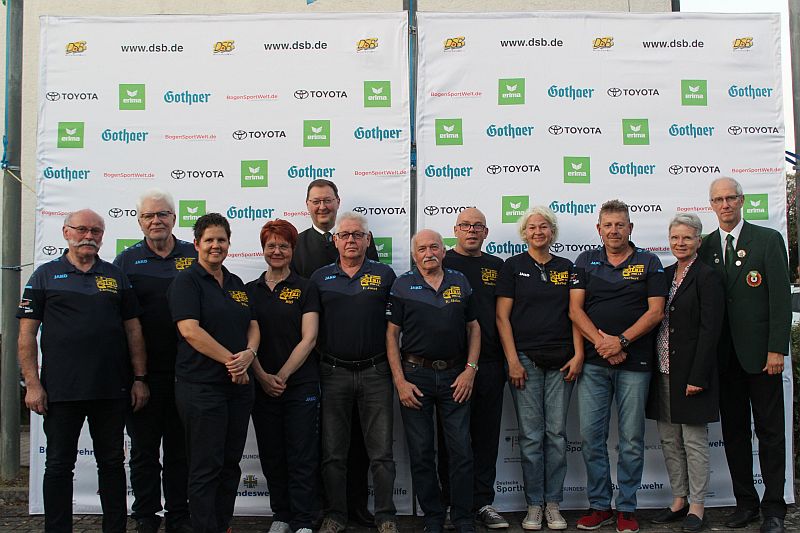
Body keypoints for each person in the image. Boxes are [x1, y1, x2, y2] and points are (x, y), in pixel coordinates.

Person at [17, 208, 149, 533]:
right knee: (59, 466)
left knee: (112, 464)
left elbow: (133, 330)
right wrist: (32, 384)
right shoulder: (44, 275)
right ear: (66, 233)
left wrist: (139, 378)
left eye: (96, 231)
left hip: (111, 389)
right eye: (82, 230)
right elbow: (26, 335)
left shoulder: (116, 276)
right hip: (61, 391)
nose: (89, 236)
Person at [697, 177, 791, 533]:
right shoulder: (705, 246)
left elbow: (780, 299)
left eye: (731, 198)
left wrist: (776, 348)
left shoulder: (767, 240)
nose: (725, 205)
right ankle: (746, 504)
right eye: (718, 199)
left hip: (763, 357)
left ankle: (774, 508)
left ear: (742, 200)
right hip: (724, 360)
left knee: (770, 433)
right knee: (734, 433)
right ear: (711, 205)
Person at [568, 200, 667, 533]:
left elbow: (656, 312)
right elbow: (575, 310)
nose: (614, 231)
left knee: (631, 439)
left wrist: (621, 341)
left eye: (620, 224)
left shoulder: (649, 261)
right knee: (591, 437)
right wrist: (604, 344)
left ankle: (626, 507)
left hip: (635, 364)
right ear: (599, 229)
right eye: (608, 225)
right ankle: (599, 506)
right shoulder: (585, 261)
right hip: (594, 364)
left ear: (630, 228)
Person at [291, 179, 377, 527]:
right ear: (307, 205)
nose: (322, 206)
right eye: (316, 201)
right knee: (328, 443)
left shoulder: (361, 239)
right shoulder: (298, 244)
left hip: (361, 361)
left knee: (360, 439)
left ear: (338, 202)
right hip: (318, 360)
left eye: (328, 200)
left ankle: (357, 505)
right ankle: (330, 508)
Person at [167, 213, 259, 533]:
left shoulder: (235, 283)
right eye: (209, 240)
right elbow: (190, 331)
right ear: (196, 244)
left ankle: (222, 525)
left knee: (230, 464)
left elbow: (253, 325)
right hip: (201, 388)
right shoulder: (186, 282)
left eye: (221, 240)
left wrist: (250, 354)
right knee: (206, 467)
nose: (215, 245)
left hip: (238, 388)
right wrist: (234, 362)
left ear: (229, 244)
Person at [386, 229, 481, 533]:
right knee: (422, 451)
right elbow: (391, 335)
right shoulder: (402, 285)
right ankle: (433, 517)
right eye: (422, 249)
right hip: (416, 377)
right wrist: (400, 381)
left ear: (443, 250)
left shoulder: (460, 281)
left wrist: (470, 370)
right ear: (414, 254)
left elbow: (474, 328)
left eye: (434, 247)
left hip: (456, 376)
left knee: (461, 451)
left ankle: (463, 517)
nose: (429, 253)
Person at [310, 212, 399, 533]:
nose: (351, 240)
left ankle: (386, 516)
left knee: (381, 453)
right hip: (333, 373)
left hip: (376, 372)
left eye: (357, 235)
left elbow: (395, 327)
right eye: (345, 235)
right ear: (335, 240)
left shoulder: (385, 275)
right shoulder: (320, 278)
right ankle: (336, 514)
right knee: (333, 453)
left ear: (368, 240)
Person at [496, 206, 583, 531]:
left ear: (552, 232)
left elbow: (576, 313)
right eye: (532, 227)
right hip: (525, 362)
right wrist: (513, 360)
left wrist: (578, 354)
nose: (538, 232)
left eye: (543, 226)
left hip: (562, 363)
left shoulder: (566, 267)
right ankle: (534, 504)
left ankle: (553, 504)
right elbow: (502, 317)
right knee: (531, 437)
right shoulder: (512, 266)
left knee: (556, 436)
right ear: (524, 233)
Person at [114, 189, 196, 533]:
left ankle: (179, 516)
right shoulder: (125, 262)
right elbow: (118, 320)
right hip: (143, 376)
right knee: (144, 452)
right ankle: (145, 516)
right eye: (148, 216)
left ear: (174, 218)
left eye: (162, 214)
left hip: (187, 374)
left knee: (180, 452)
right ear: (139, 222)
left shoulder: (195, 255)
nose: (156, 221)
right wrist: (136, 377)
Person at [644, 213, 724, 533]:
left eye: (687, 237)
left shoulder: (708, 276)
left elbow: (710, 330)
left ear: (698, 242)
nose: (680, 243)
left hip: (691, 374)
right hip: (662, 371)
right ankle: (678, 500)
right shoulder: (663, 275)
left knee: (693, 441)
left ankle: (697, 506)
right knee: (669, 440)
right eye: (675, 237)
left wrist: (698, 376)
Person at [246, 220, 321, 533]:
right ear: (263, 249)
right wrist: (263, 377)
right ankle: (281, 515)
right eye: (271, 245)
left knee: (302, 453)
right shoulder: (249, 290)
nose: (277, 251)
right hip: (262, 385)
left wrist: (281, 376)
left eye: (284, 246)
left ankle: (303, 519)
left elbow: (309, 338)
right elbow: (247, 340)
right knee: (272, 453)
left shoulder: (306, 287)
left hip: (300, 384)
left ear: (293, 250)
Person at [437, 208, 507, 529]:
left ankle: (482, 503)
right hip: (451, 367)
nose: (472, 231)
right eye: (465, 225)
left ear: (486, 232)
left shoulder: (497, 266)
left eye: (478, 226)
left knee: (486, 437)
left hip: (491, 364)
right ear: (455, 230)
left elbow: (505, 315)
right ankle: (451, 503)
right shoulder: (442, 262)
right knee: (451, 441)